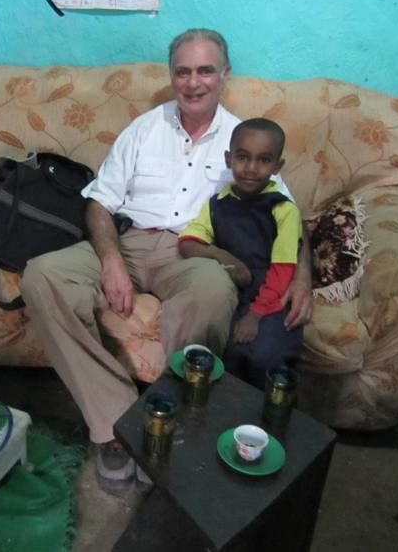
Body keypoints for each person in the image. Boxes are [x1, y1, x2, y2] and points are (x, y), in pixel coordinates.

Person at [21, 29, 313, 492]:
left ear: (224, 75)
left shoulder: (243, 140)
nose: (193, 82)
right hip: (130, 241)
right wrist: (112, 260)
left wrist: (303, 278)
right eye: (183, 71)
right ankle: (118, 423)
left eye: (205, 70)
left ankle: (165, 419)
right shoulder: (144, 128)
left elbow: (288, 216)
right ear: (172, 75)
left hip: (191, 252)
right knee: (41, 276)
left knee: (214, 291)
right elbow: (99, 202)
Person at [179, 118, 303, 388]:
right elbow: (188, 242)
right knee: (225, 354)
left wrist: (255, 316)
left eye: (263, 160)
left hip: (272, 298)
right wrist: (225, 258)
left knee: (264, 358)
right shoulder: (218, 203)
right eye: (243, 157)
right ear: (228, 158)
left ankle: (268, 421)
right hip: (235, 292)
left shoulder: (284, 211)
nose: (251, 168)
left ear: (277, 166)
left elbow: (283, 272)